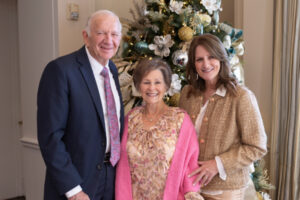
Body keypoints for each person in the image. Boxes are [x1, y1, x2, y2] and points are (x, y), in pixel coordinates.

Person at [37, 10, 124, 200]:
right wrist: (74, 190)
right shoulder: (60, 71)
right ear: (86, 36)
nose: (109, 40)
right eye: (101, 33)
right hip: (77, 183)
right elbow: (51, 137)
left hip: (111, 178)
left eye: (115, 34)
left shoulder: (112, 70)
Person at [179, 33, 267, 200]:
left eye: (211, 57)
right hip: (191, 189)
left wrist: (218, 164)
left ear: (221, 58)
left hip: (226, 191)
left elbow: (257, 146)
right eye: (199, 59)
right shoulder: (187, 94)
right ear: (193, 63)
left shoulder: (240, 96)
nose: (206, 64)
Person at [115, 58, 204, 200]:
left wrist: (190, 191)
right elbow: (120, 163)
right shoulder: (131, 118)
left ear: (166, 86)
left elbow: (190, 163)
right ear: (138, 86)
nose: (152, 88)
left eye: (157, 82)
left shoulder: (180, 119)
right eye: (146, 82)